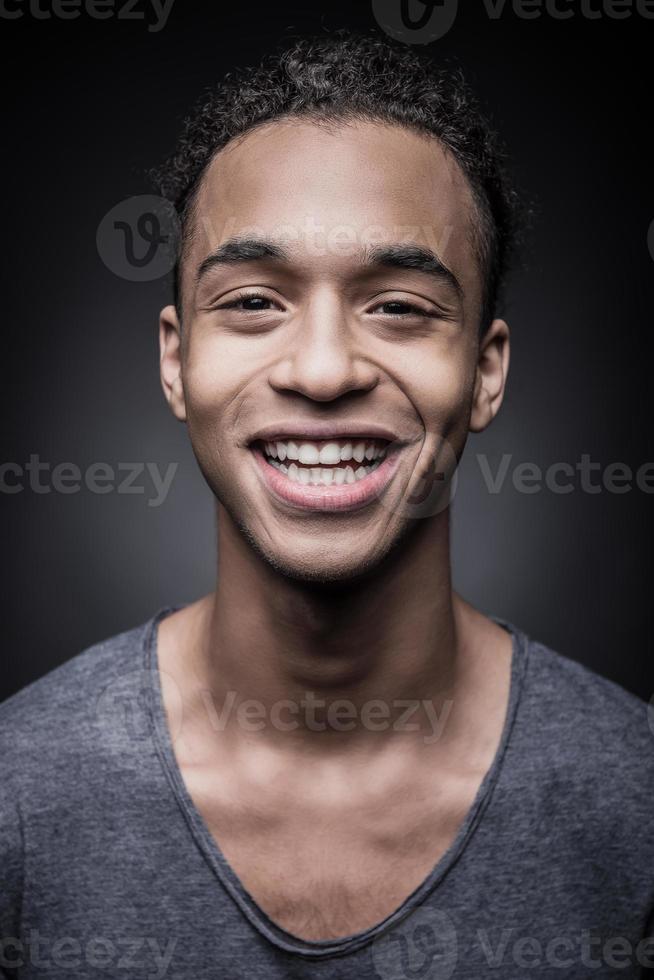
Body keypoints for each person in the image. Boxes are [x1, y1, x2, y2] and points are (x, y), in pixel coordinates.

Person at [1, 31, 653, 979]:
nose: (321, 370)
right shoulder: (18, 795)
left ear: (485, 371)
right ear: (176, 361)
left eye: (398, 306)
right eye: (255, 302)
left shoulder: (635, 800)